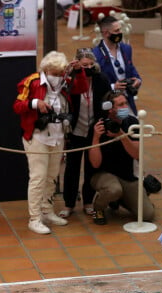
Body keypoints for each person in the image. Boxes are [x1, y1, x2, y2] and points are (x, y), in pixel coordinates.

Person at [13, 51, 88, 235]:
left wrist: (79, 72)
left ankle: (47, 211)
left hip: (58, 136)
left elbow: (82, 88)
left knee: (52, 176)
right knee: (38, 178)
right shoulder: (32, 81)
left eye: (60, 73)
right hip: (37, 136)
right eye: (54, 73)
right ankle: (35, 218)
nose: (58, 77)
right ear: (45, 69)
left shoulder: (65, 82)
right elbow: (17, 106)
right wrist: (35, 103)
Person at [59, 48, 112, 219]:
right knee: (72, 168)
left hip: (93, 129)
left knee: (91, 168)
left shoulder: (101, 80)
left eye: (91, 64)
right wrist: (68, 71)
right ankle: (69, 203)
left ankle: (88, 201)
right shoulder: (71, 80)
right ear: (77, 65)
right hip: (75, 130)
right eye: (84, 65)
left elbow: (107, 102)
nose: (88, 68)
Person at [88, 91, 154, 225]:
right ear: (110, 109)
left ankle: (120, 199)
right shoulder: (98, 126)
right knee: (114, 189)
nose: (125, 107)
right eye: (121, 105)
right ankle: (98, 207)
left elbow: (136, 154)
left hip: (127, 176)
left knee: (147, 214)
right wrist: (96, 137)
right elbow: (95, 164)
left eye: (126, 103)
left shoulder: (132, 123)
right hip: (103, 175)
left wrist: (121, 134)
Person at [92, 15, 142, 114]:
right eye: (116, 31)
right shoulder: (95, 54)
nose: (120, 33)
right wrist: (113, 86)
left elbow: (131, 69)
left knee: (132, 126)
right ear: (106, 33)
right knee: (117, 127)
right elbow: (95, 83)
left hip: (126, 100)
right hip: (109, 104)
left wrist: (138, 81)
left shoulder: (126, 49)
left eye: (120, 30)